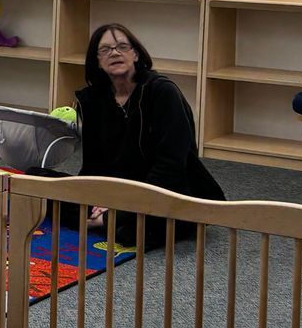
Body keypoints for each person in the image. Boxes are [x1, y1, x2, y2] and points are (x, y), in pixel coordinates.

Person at [74, 22, 224, 238]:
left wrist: (120, 206)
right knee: (40, 181)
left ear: (135, 54)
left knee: (130, 231)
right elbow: (92, 165)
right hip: (117, 189)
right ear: (97, 61)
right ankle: (106, 219)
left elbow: (171, 166)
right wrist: (100, 198)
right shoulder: (93, 99)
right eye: (105, 50)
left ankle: (110, 219)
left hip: (163, 189)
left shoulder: (163, 92)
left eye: (122, 47)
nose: (114, 53)